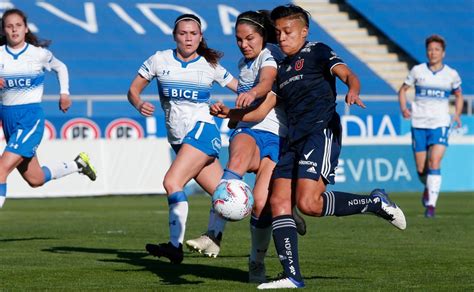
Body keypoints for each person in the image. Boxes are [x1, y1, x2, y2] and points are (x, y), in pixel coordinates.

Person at [255, 5, 407, 289]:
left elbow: (349, 74)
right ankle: (291, 276)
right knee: (278, 202)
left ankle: (374, 203)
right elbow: (263, 107)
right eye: (278, 33)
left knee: (308, 204)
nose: (282, 38)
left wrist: (353, 90)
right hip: (293, 141)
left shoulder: (318, 51)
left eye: (287, 32)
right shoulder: (281, 68)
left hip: (319, 132)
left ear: (304, 32)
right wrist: (233, 115)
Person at [184, 10, 305, 283]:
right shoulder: (243, 63)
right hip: (249, 130)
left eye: (249, 38)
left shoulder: (270, 58)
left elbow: (264, 86)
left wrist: (246, 97)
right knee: (235, 164)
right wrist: (230, 116)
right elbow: (249, 111)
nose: (244, 44)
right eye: (239, 39)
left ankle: (256, 262)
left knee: (262, 204)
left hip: (276, 134)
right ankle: (213, 235)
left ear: (263, 36)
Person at [127, 13, 237, 264]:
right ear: (175, 36)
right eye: (183, 33)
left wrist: (232, 110)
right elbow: (133, 89)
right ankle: (281, 213)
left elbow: (243, 90)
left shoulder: (210, 66)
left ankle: (175, 246)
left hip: (203, 131)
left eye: (193, 34)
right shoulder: (159, 59)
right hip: (180, 140)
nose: (188, 38)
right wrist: (138, 103)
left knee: (172, 182)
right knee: (226, 197)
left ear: (200, 37)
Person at [0, 8, 97, 208]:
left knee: (1, 170)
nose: (14, 30)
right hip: (8, 118)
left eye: (18, 25)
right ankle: (78, 164)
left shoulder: (38, 55)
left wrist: (64, 93)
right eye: (9, 26)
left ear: (26, 29)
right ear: (4, 30)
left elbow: (61, 67)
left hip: (30, 119)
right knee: (35, 179)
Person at [398, 34, 463, 218]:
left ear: (443, 53)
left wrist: (456, 115)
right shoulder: (418, 71)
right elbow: (402, 90)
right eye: (430, 49)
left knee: (435, 161)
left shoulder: (451, 74)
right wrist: (404, 108)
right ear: (426, 52)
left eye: (436, 50)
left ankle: (431, 206)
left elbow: (458, 95)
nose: (433, 53)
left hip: (440, 123)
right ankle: (428, 188)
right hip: (419, 123)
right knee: (421, 169)